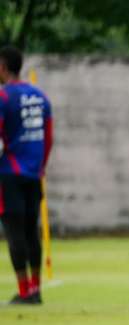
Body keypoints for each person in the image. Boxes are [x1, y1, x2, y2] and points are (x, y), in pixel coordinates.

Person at [0, 46, 53, 305]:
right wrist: (40, 165)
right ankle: (36, 288)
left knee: (14, 232)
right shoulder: (40, 97)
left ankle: (23, 291)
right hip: (33, 173)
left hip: (9, 173)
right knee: (31, 231)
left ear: (3, 66)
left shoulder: (3, 97)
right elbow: (49, 137)